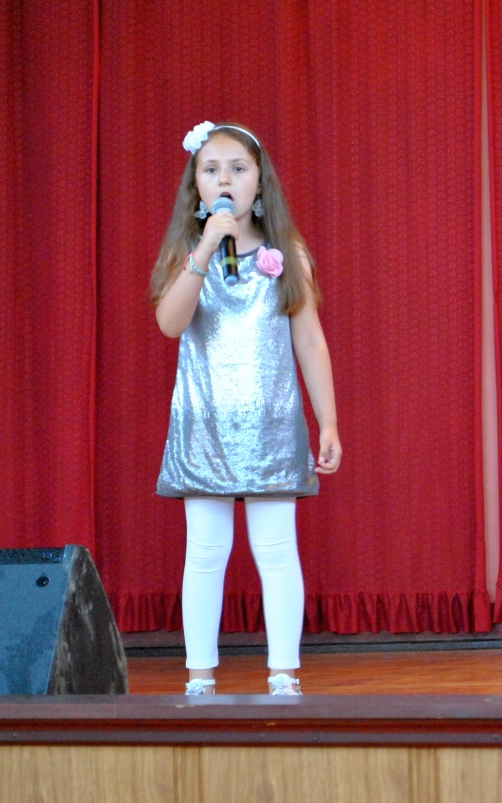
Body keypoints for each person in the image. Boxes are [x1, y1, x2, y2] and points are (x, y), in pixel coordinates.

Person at [150, 121, 341, 696]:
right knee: (206, 552)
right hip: (204, 424)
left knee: (277, 550)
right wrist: (206, 248)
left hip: (270, 425)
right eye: (211, 170)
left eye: (238, 168)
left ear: (260, 182)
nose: (225, 179)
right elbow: (170, 324)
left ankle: (284, 673)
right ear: (197, 187)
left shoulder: (287, 255)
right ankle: (199, 676)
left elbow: (310, 342)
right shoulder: (188, 255)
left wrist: (328, 421)